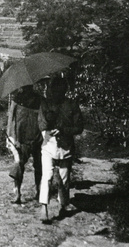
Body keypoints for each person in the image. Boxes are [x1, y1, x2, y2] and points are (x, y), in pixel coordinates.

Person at [38, 75, 83, 223]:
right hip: (49, 145)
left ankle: (63, 205)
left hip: (66, 147)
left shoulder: (72, 105)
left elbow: (79, 127)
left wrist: (63, 129)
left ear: (64, 90)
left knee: (64, 178)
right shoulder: (45, 105)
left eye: (59, 90)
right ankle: (43, 206)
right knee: (47, 175)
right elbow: (42, 124)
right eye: (53, 89)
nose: (56, 93)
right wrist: (50, 130)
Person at [6, 85, 42, 204]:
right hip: (21, 139)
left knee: (39, 166)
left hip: (37, 137)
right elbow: (11, 120)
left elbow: (43, 118)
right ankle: (17, 192)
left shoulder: (39, 99)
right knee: (19, 164)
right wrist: (11, 138)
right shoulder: (17, 99)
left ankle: (39, 190)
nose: (27, 89)